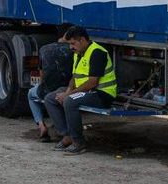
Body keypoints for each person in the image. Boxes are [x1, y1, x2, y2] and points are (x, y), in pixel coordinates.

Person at [41, 26, 116, 155]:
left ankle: (78, 142)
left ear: (82, 40)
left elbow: (93, 82)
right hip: (86, 91)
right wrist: (67, 91)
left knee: (70, 101)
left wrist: (68, 95)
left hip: (101, 94)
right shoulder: (79, 53)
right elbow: (75, 77)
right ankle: (67, 135)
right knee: (50, 98)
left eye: (73, 43)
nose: (71, 47)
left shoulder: (97, 52)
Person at [28, 38, 74, 142]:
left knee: (31, 94)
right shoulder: (75, 50)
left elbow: (42, 73)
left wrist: (42, 86)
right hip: (68, 88)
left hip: (50, 90)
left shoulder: (45, 49)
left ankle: (41, 126)